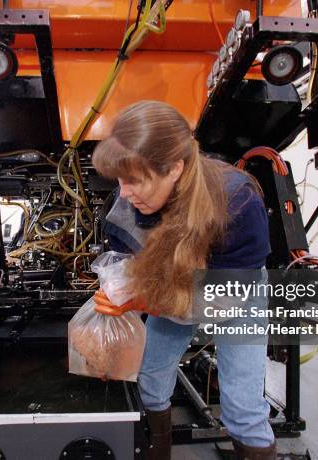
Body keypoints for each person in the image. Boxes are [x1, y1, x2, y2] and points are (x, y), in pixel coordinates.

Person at [91, 100, 276, 460]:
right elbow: (127, 271)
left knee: (242, 406)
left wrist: (145, 302)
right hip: (166, 289)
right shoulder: (124, 206)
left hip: (235, 293)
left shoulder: (237, 202)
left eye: (134, 180)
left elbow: (221, 302)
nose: (124, 192)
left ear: (174, 169)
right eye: (119, 180)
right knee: (150, 379)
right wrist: (115, 300)